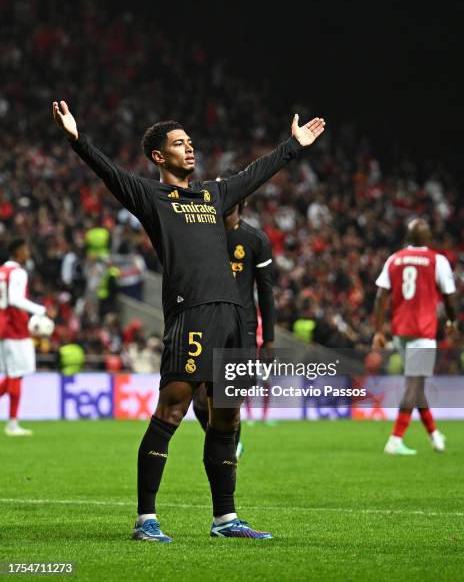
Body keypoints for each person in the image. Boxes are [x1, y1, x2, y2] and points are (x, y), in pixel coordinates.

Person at [53, 99, 325, 542]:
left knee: (227, 419)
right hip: (191, 312)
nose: (190, 149)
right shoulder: (152, 197)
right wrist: (77, 139)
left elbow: (256, 173)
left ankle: (226, 519)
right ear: (160, 156)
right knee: (174, 406)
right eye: (179, 144)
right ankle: (146, 518)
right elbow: (110, 174)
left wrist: (293, 145)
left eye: (190, 142)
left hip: (233, 317)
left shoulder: (214, 195)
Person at [193, 177, 276, 454]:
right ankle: (228, 442)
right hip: (206, 323)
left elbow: (265, 292)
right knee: (200, 402)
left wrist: (270, 341)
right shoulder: (202, 235)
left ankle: (228, 450)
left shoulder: (254, 240)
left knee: (229, 399)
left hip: (242, 328)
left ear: (242, 200)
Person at [373, 218, 457, 455]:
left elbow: (380, 297)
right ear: (428, 238)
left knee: (416, 386)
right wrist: (452, 322)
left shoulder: (395, 259)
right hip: (422, 332)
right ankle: (395, 440)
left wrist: (379, 330)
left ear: (408, 238)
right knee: (413, 384)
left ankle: (433, 435)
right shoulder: (436, 260)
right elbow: (450, 297)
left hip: (400, 332)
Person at [0, 239, 54, 436]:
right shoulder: (18, 272)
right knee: (16, 374)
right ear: (18, 251)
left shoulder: (2, 271)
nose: (28, 252)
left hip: (4, 326)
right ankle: (12, 424)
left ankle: (13, 423)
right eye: (26, 249)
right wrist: (41, 310)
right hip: (15, 328)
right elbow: (15, 299)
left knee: (14, 374)